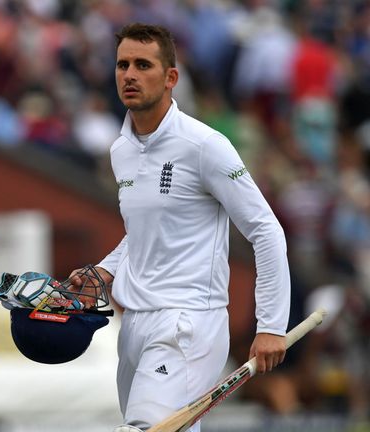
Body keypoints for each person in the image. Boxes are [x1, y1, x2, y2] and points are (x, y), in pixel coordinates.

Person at [68, 23, 291, 432]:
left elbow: (266, 230)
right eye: (122, 65)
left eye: (142, 65)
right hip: (134, 323)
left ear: (171, 77)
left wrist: (272, 325)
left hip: (189, 323)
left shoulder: (205, 146)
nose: (129, 75)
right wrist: (105, 269)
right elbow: (142, 232)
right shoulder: (120, 150)